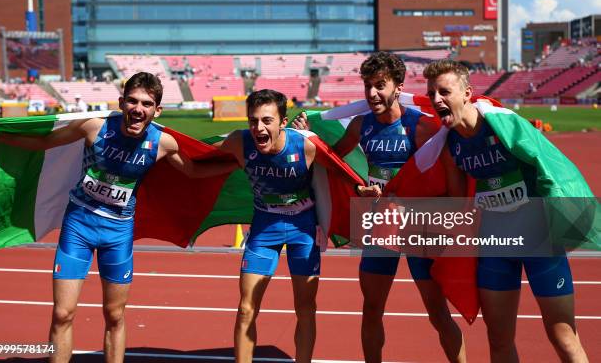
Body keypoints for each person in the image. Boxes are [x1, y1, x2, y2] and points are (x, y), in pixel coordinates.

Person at [0, 72, 230, 363]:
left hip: (118, 234)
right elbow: (45, 142)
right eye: (132, 101)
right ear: (121, 102)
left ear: (157, 110)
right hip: (79, 226)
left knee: (114, 315)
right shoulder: (94, 128)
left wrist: (237, 163)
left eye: (146, 103)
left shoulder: (164, 144)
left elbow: (193, 172)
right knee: (62, 313)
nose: (138, 109)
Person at [292, 52, 467, 363]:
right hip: (381, 223)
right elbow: (331, 159)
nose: (372, 94)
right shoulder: (361, 125)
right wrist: (305, 133)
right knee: (372, 309)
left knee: (437, 312)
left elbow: (445, 176)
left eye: (380, 86)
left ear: (398, 87)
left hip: (418, 225)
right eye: (368, 86)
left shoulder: (421, 127)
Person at [424, 59, 588, 362]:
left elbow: (551, 168)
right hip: (496, 247)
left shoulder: (505, 125)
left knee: (563, 334)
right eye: (432, 93)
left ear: (468, 93)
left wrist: (567, 219)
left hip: (540, 242)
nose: (436, 100)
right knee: (498, 339)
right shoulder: (450, 145)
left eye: (444, 92)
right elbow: (461, 204)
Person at [211, 89, 325, 363]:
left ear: (282, 122)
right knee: (246, 309)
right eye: (253, 120)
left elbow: (340, 172)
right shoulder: (240, 142)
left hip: (303, 229)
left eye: (266, 121)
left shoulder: (306, 146)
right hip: (264, 229)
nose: (258, 128)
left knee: (306, 307)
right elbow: (200, 156)